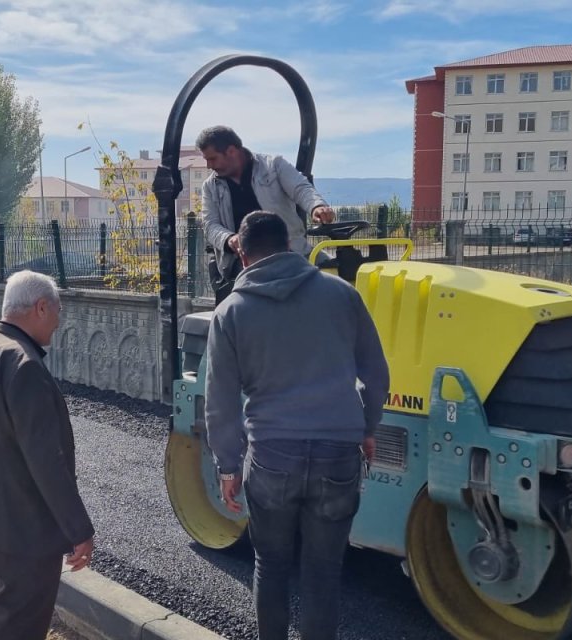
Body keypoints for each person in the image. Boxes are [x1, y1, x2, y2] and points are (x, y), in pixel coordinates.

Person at [204, 212, 389, 640]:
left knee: (271, 565)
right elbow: (377, 373)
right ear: (290, 247)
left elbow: (221, 400)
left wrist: (228, 465)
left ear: (244, 257)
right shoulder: (341, 294)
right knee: (323, 573)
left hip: (271, 458)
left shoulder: (231, 311)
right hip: (338, 455)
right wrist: (367, 426)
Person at [0, 270, 95, 640]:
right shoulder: (23, 364)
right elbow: (46, 460)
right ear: (40, 307)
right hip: (24, 525)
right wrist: (78, 528)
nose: (58, 324)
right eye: (58, 312)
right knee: (20, 625)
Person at [196, 125, 337, 301]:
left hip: (291, 251)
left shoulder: (274, 166)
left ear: (231, 151)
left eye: (213, 159)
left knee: (339, 275)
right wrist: (230, 239)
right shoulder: (210, 187)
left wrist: (317, 206)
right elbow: (210, 225)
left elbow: (301, 189)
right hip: (244, 259)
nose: (209, 166)